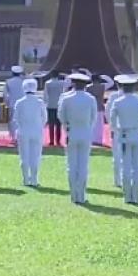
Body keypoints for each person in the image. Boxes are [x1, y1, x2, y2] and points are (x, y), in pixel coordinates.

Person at [109, 74, 138, 204]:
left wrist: (118, 130)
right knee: (137, 166)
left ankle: (127, 196)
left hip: (124, 134)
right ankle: (135, 195)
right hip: (137, 133)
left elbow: (112, 121)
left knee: (125, 165)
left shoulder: (118, 101)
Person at [58, 72, 97, 204]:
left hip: (72, 132)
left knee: (71, 165)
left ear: (73, 84)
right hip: (85, 132)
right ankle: (81, 194)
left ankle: (74, 194)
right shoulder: (90, 98)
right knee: (83, 165)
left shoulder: (66, 98)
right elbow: (93, 118)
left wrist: (67, 126)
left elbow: (61, 116)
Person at [13, 78, 46, 187]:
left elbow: (15, 118)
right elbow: (44, 118)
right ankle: (34, 179)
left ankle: (25, 179)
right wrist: (39, 125)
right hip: (36, 131)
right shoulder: (39, 102)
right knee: (35, 156)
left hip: (23, 131)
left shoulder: (19, 102)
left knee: (24, 156)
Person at [4, 67, 26, 141]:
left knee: (12, 120)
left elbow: (5, 94)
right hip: (23, 104)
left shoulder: (8, 82)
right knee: (22, 120)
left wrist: (7, 103)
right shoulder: (24, 81)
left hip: (12, 103)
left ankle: (13, 137)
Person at [44, 70, 65, 148]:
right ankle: (58, 141)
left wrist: (45, 103)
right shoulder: (61, 83)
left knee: (51, 124)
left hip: (50, 105)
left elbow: (45, 95)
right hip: (59, 105)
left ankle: (52, 140)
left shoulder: (47, 83)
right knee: (59, 124)